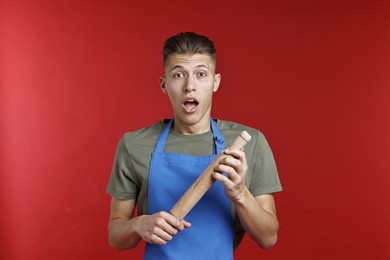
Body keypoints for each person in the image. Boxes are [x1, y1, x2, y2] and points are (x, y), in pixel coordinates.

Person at [106, 32, 282, 259]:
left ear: (215, 82)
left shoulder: (250, 143)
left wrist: (239, 193)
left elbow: (268, 238)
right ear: (164, 84)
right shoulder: (134, 145)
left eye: (201, 74)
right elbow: (115, 236)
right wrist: (138, 224)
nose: (190, 86)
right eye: (178, 75)